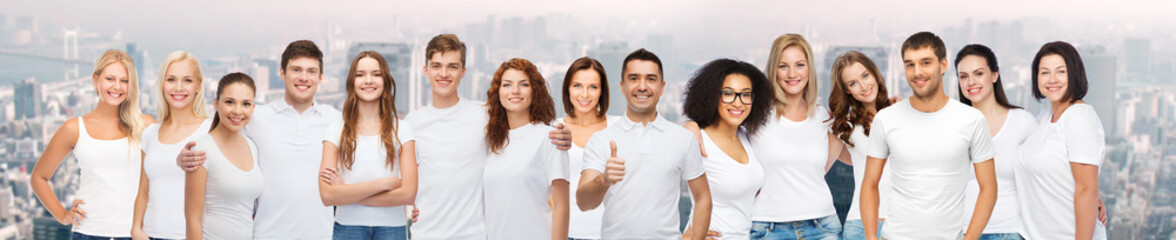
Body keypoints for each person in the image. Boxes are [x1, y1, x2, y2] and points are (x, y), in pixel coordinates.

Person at [403, 34, 572, 240]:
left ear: (463, 72)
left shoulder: (484, 117)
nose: (444, 73)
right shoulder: (411, 123)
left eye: (453, 66)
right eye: (437, 66)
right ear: (425, 70)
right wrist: (415, 207)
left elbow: (523, 126)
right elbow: (404, 180)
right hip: (427, 234)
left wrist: (563, 131)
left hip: (475, 235)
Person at [178, 40, 342, 239]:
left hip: (320, 235)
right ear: (282, 73)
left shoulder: (335, 120)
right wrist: (182, 158)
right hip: (266, 235)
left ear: (321, 77)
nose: (303, 77)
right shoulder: (256, 117)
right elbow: (218, 135)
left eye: (311, 71)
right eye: (296, 69)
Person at [861, 32, 998, 240]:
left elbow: (989, 187)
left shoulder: (971, 120)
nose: (917, 72)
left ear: (943, 65)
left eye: (925, 63)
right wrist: (871, 238)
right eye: (910, 65)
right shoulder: (886, 119)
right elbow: (870, 184)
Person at [576, 48, 712, 240]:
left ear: (662, 87)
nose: (642, 86)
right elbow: (583, 202)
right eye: (634, 79)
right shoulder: (601, 140)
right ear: (622, 86)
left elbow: (703, 197)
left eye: (650, 79)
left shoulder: (683, 138)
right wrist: (604, 179)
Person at [32, 49, 155, 240]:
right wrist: (63, 216)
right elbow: (39, 177)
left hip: (137, 234)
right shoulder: (74, 128)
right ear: (95, 79)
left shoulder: (146, 125)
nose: (117, 87)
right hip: (88, 233)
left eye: (125, 80)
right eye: (110, 79)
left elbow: (167, 173)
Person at [748, 34, 843, 240]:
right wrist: (692, 126)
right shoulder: (755, 114)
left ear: (809, 69)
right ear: (774, 70)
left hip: (822, 227)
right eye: (783, 66)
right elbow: (716, 133)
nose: (792, 73)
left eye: (800, 64)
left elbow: (860, 156)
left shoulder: (823, 117)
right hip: (768, 228)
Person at [317, 51, 418, 240]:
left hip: (392, 229)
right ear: (352, 82)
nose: (368, 80)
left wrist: (346, 192)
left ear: (385, 81)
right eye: (360, 74)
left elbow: (408, 194)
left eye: (376, 74)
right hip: (348, 229)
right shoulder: (335, 130)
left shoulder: (402, 129)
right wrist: (384, 184)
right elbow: (327, 196)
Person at [1014, 41, 1109, 240]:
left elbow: (1086, 188)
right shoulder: (1045, 117)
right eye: (1045, 72)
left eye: (1061, 71)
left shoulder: (1079, 118)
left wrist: (1092, 196)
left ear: (1074, 74)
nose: (1052, 79)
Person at [681, 59, 774, 240]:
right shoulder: (697, 139)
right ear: (712, 96)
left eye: (746, 95)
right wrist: (682, 238)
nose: (738, 103)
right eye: (728, 94)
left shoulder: (747, 137)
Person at [481, 58, 570, 240]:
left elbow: (562, 208)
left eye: (523, 84)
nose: (515, 91)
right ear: (498, 92)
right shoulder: (492, 141)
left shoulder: (550, 138)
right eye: (507, 85)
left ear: (534, 91)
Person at [953, 44, 1034, 240]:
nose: (971, 82)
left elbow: (1049, 167)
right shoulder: (952, 125)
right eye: (963, 76)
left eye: (979, 73)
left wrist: (1092, 196)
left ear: (995, 75)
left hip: (1010, 231)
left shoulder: (1022, 121)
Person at [132, 51, 213, 240]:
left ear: (198, 86)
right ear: (161, 84)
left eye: (187, 80)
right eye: (171, 79)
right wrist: (136, 229)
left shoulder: (211, 131)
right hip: (149, 236)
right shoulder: (150, 133)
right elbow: (144, 190)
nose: (178, 88)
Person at [183, 73, 264, 239]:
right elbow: (192, 220)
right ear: (216, 104)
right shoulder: (201, 149)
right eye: (229, 102)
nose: (238, 111)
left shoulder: (252, 147)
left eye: (246, 104)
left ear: (253, 108)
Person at [825, 51, 893, 240]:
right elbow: (819, 168)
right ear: (847, 90)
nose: (864, 86)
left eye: (865, 76)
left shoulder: (903, 114)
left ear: (874, 73)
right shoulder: (844, 126)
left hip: (904, 225)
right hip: (861, 227)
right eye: (853, 83)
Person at [558, 57, 618, 240]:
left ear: (602, 91)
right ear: (568, 89)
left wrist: (692, 126)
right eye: (577, 86)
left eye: (593, 87)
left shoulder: (619, 127)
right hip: (566, 233)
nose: (584, 94)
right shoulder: (553, 129)